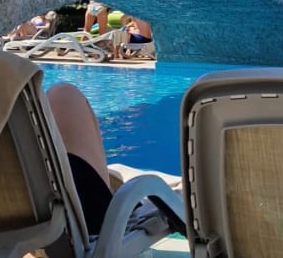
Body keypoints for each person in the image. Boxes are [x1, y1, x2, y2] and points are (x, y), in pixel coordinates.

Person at [45, 81, 183, 234]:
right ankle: (108, 194)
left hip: (34, 216)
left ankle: (108, 189)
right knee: (64, 94)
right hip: (78, 222)